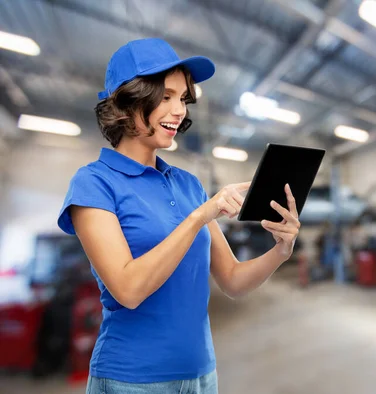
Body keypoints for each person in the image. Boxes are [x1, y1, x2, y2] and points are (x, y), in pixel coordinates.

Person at [57, 38, 301, 394]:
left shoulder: (188, 185)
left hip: (201, 375)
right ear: (129, 99)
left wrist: (282, 249)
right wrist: (199, 216)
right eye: (167, 96)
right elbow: (128, 289)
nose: (180, 110)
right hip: (132, 379)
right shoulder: (94, 184)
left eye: (183, 98)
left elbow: (232, 279)